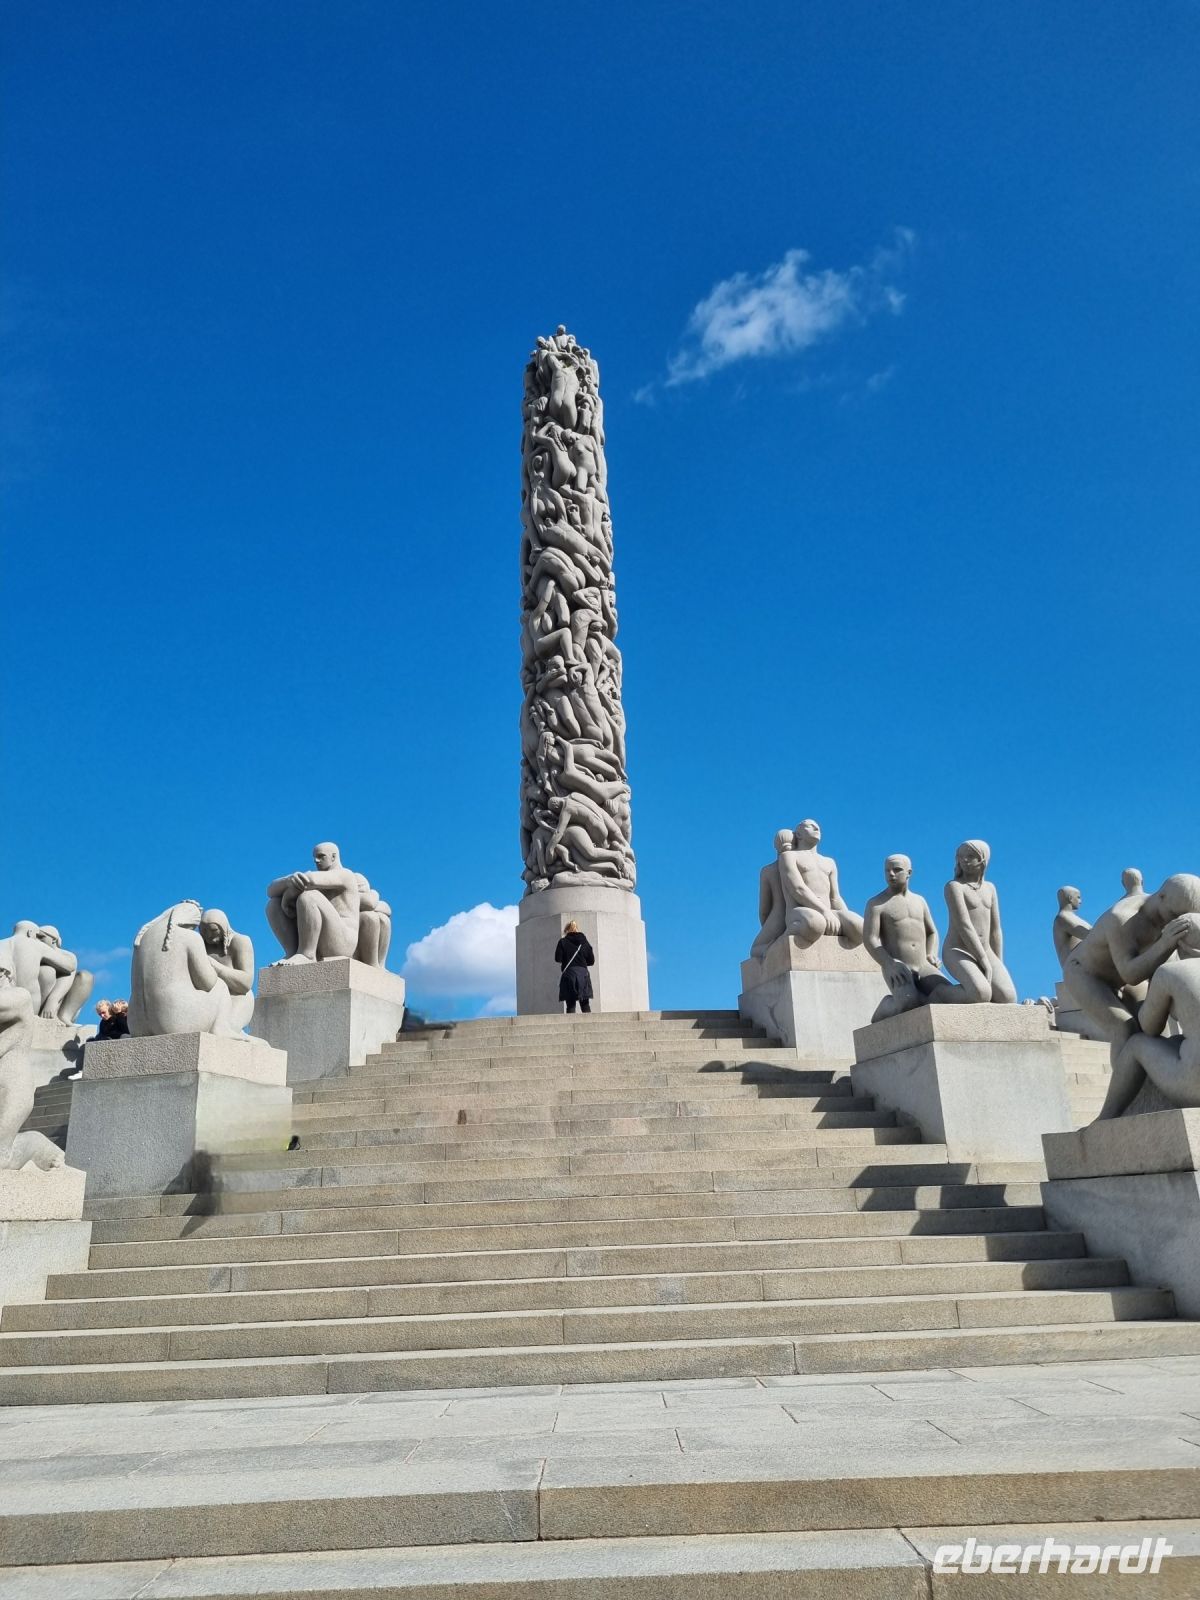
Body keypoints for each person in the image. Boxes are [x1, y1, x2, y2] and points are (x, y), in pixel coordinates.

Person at [555, 919, 595, 1013]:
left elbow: (558, 959)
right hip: (583, 975)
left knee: (570, 1005)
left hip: (569, 974)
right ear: (577, 929)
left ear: (566, 930)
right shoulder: (585, 943)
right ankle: (588, 1026)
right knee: (585, 1004)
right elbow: (591, 961)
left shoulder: (563, 942)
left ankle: (570, 1026)